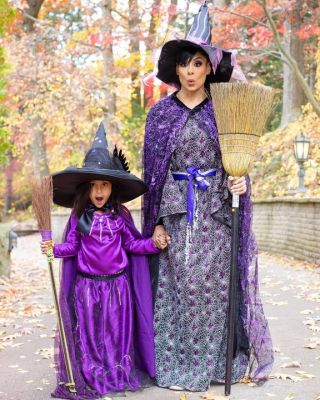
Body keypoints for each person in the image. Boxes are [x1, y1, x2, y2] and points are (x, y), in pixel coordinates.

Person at [142, 1, 273, 393]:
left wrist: (239, 183)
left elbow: (238, 162)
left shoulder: (226, 111)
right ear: (176, 69)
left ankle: (219, 362)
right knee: (180, 289)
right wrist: (160, 222)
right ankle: (177, 363)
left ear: (210, 67)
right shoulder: (160, 115)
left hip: (217, 213)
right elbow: (154, 175)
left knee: (215, 289)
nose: (191, 72)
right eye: (185, 64)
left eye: (198, 63)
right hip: (179, 213)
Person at [41, 122, 166, 399]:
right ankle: (92, 375)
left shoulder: (120, 215)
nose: (99, 191)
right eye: (94, 185)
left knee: (117, 332)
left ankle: (116, 374)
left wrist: (153, 244)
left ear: (113, 187)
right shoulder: (79, 217)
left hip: (118, 287)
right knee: (91, 333)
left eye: (105, 185)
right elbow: (72, 248)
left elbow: (133, 244)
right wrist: (53, 250)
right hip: (87, 288)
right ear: (86, 188)